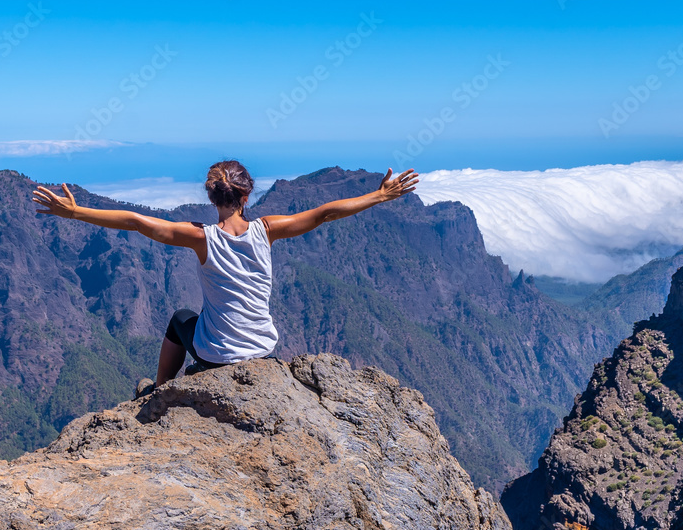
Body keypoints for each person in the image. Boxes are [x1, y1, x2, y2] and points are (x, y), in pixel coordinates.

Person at [32, 160, 419, 397]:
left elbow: (137, 223)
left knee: (180, 319)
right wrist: (379, 196)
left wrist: (76, 212)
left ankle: (160, 390)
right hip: (263, 351)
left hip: (217, 356)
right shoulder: (267, 230)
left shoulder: (201, 237)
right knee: (188, 318)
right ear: (246, 196)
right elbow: (324, 213)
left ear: (212, 199)